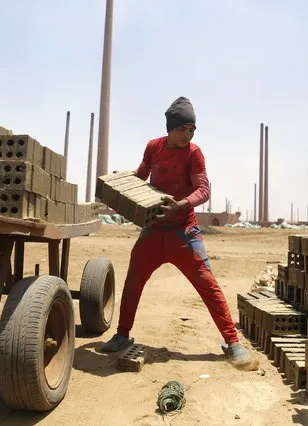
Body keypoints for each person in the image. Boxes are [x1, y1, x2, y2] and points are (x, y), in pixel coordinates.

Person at [99, 96, 258, 371]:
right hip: (153, 230)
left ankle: (233, 343)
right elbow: (141, 175)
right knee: (133, 282)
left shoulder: (194, 153)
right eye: (182, 129)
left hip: (184, 233)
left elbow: (204, 190)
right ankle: (122, 335)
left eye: (191, 130)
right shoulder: (153, 147)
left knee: (208, 285)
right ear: (169, 128)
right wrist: (121, 181)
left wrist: (182, 204)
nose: (187, 135)